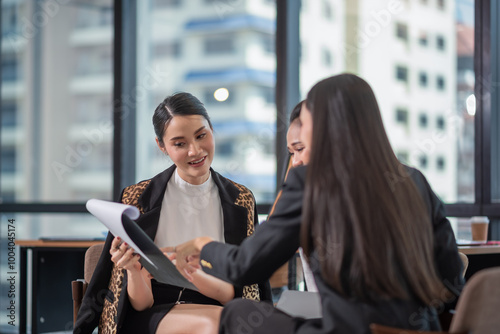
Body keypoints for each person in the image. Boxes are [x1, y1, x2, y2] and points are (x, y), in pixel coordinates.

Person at [171, 74, 464, 333]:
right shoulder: (414, 181)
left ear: (325, 127)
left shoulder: (312, 182)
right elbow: (451, 281)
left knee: (237, 313)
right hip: (422, 329)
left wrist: (202, 245)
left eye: (306, 123)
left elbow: (246, 267)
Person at [74, 92, 271, 334]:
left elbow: (238, 292)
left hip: (217, 304)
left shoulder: (240, 199)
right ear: (162, 146)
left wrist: (191, 274)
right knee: (217, 324)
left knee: (225, 321)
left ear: (211, 129)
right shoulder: (137, 199)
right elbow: (141, 303)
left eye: (201, 135)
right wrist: (133, 271)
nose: (195, 151)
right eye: (180, 143)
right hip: (151, 315)